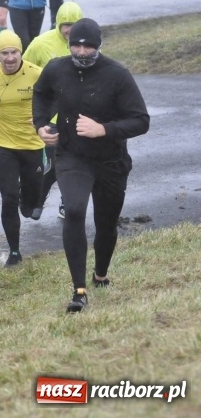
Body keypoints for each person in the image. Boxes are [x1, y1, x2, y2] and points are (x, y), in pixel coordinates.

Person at [32, 18, 149, 313]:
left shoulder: (117, 75)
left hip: (110, 160)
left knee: (106, 225)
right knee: (73, 210)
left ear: (98, 45)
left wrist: (103, 129)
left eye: (88, 46)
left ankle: (100, 274)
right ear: (69, 44)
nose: (82, 51)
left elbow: (141, 121)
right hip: (72, 156)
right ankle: (78, 290)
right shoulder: (57, 68)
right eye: (77, 44)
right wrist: (41, 125)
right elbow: (41, 93)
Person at [0, 30, 45, 267]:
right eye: (5, 53)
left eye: (14, 52)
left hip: (33, 144)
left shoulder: (36, 74)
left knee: (30, 201)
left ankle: (30, 201)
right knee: (8, 198)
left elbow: (54, 101)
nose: (10, 57)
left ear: (20, 51)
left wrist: (45, 121)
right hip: (4, 145)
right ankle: (14, 252)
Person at [23, 1, 84, 219]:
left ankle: (66, 202)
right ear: (58, 23)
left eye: (74, 24)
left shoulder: (84, 44)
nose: (69, 29)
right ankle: (37, 198)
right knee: (58, 162)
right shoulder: (41, 44)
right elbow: (23, 68)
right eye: (65, 24)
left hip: (78, 115)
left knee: (75, 161)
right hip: (51, 116)